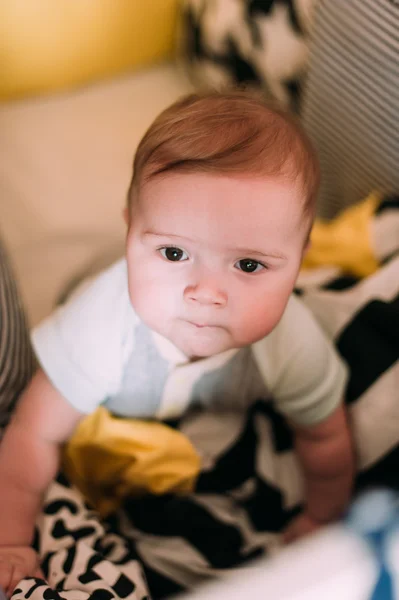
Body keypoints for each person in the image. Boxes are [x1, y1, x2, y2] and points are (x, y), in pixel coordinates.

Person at [0, 92, 355, 594]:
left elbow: (325, 438)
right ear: (130, 231)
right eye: (172, 251)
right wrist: (10, 543)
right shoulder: (99, 326)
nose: (205, 293)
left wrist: (321, 521)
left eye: (249, 265)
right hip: (97, 295)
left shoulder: (293, 342)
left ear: (299, 259)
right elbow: (33, 434)